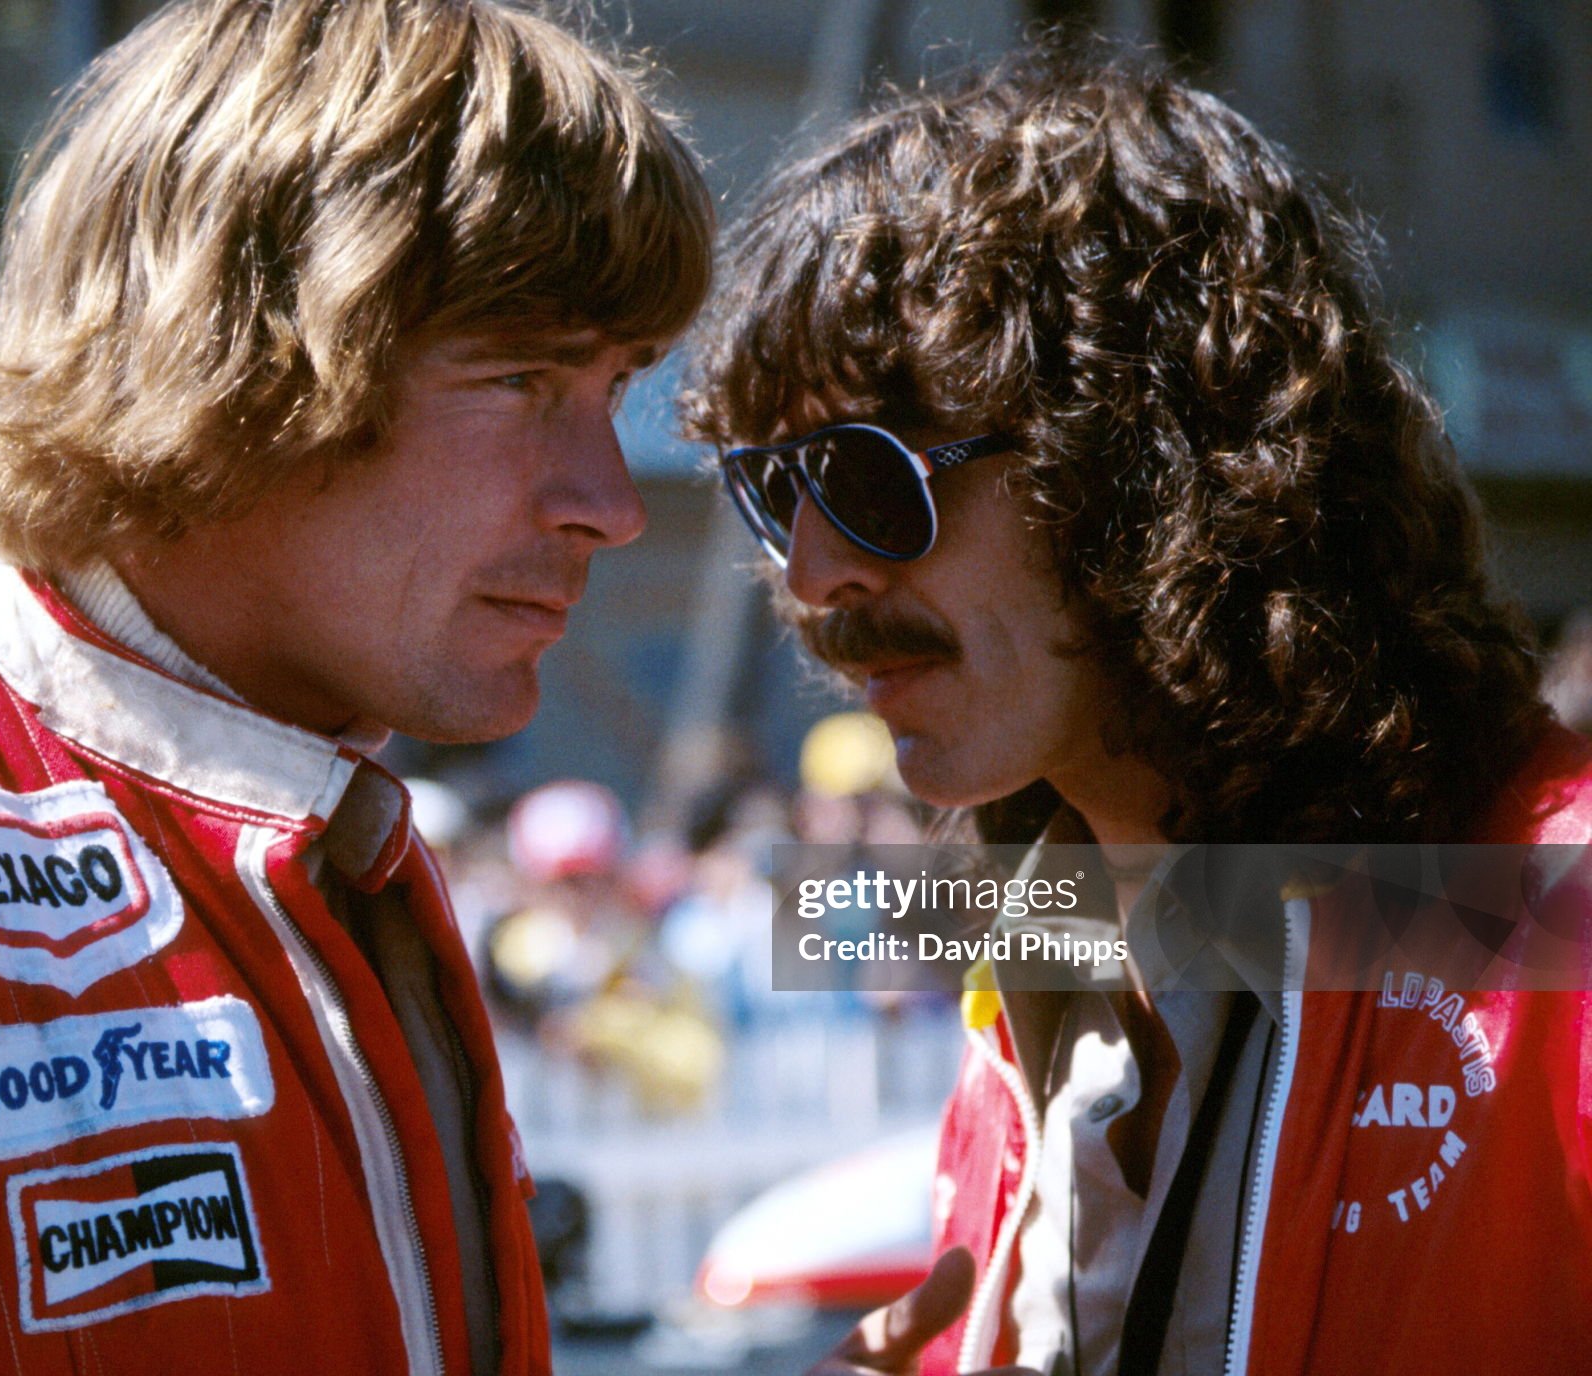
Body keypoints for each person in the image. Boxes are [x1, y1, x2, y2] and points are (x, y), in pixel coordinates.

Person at [0, 1, 711, 1371]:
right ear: (243, 359)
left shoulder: (338, 833)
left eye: (616, 390)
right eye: (522, 380)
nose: (611, 504)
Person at [682, 41, 1592, 1376]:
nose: (813, 574)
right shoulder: (1043, 960)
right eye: (773, 492)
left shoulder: (1556, 924)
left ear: (1148, 460)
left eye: (870, 478)